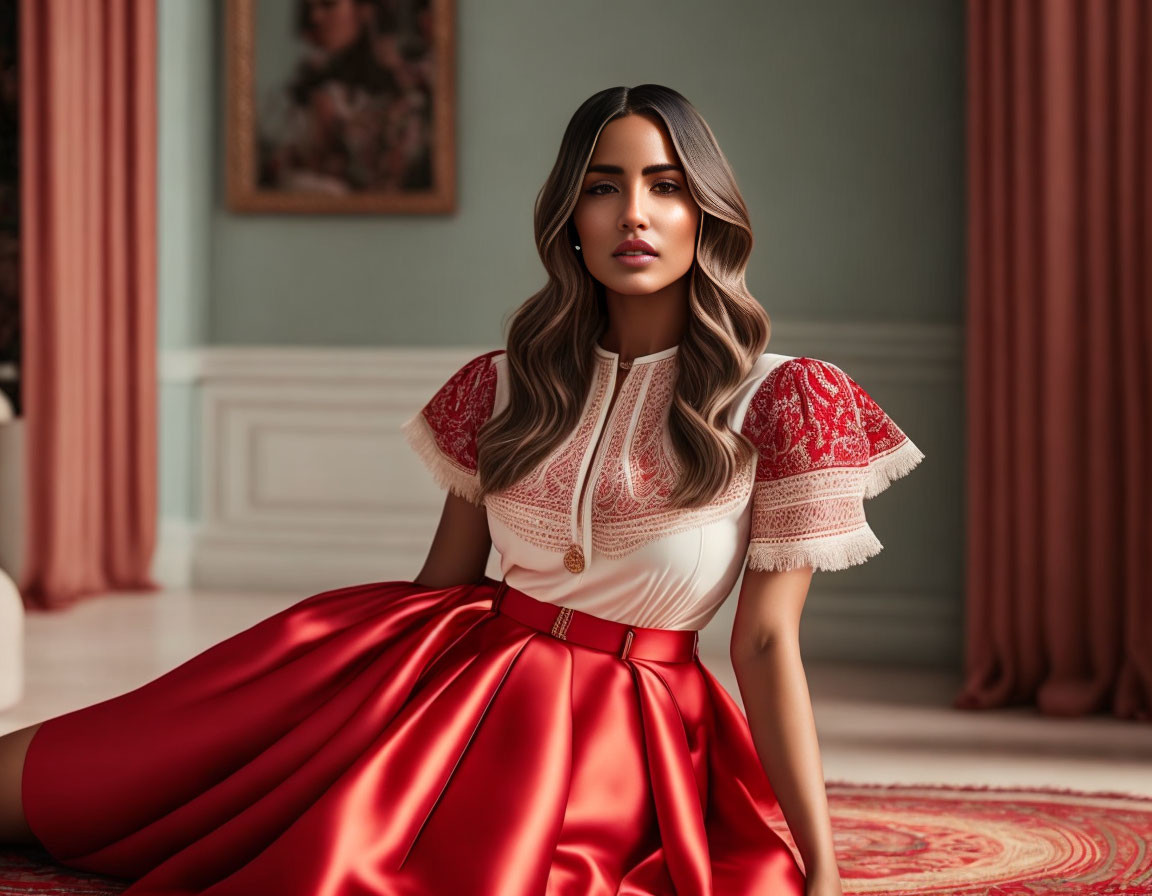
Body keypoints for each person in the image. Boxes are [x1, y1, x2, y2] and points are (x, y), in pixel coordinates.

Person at [0, 84, 924, 895]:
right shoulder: (507, 381)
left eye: (665, 185)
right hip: (461, 681)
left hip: (631, 732)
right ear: (569, 215)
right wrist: (322, 733)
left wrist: (823, 864)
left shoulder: (788, 397)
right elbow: (444, 584)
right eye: (602, 187)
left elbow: (764, 643)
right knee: (99, 776)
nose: (632, 214)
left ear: (707, 213)